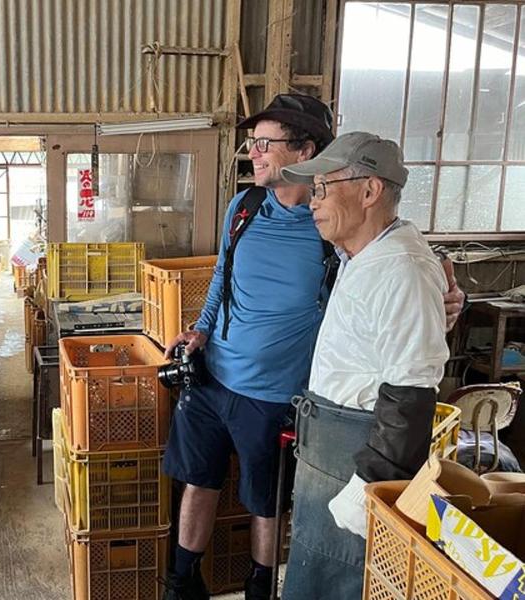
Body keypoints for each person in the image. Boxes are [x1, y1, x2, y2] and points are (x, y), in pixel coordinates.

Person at [160, 96, 464, 600]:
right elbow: (223, 276)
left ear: (306, 150)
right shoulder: (248, 210)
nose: (253, 153)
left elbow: (406, 327)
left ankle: (260, 586)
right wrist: (202, 330)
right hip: (219, 377)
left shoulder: (336, 234)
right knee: (201, 480)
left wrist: (440, 300)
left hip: (280, 396)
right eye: (252, 142)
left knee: (269, 503)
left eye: (265, 143)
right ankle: (182, 583)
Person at [278, 132, 449, 599]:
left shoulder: (403, 269)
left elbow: (412, 391)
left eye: (323, 187)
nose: (313, 201)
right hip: (329, 452)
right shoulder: (362, 256)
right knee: (313, 580)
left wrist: (368, 486)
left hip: (355, 461)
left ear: (370, 190)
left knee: (343, 581)